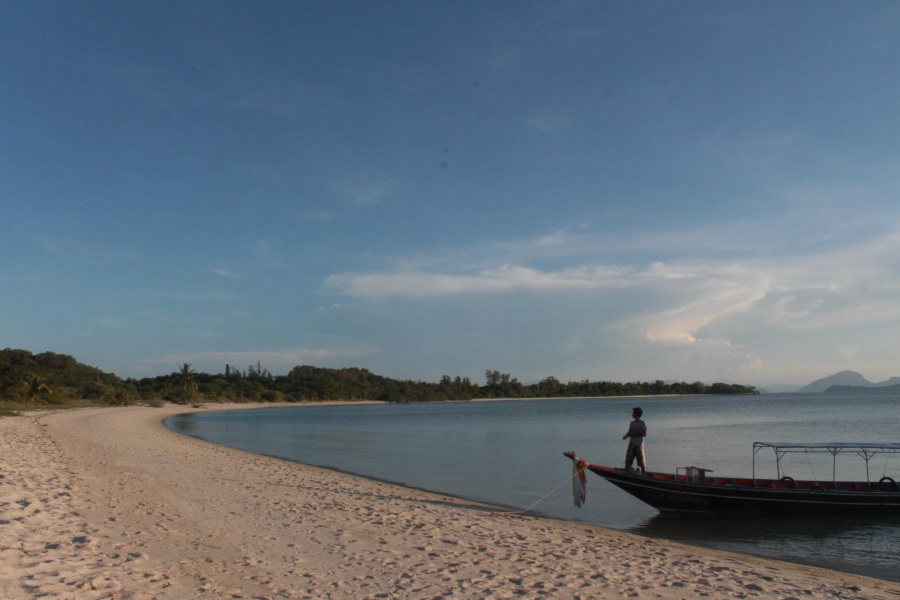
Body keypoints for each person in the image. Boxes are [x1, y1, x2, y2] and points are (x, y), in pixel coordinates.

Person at [622, 407, 647, 473]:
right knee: (628, 458)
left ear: (637, 414)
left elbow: (644, 434)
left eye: (633, 413)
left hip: (639, 444)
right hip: (632, 444)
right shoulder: (632, 423)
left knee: (641, 459)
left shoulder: (642, 423)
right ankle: (626, 470)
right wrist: (626, 436)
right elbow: (629, 432)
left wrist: (635, 434)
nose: (632, 414)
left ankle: (643, 472)